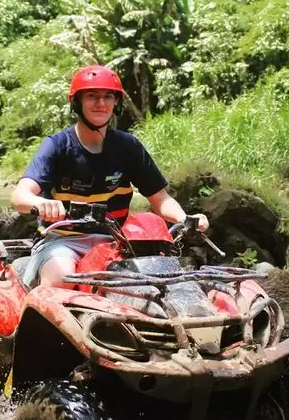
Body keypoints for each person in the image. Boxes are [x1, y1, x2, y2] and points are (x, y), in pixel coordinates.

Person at [11, 65, 208, 289]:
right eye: (92, 96)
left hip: (117, 243)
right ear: (77, 103)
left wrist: (185, 219)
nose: (101, 103)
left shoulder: (128, 146)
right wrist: (40, 203)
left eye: (107, 97)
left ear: (116, 103)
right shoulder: (57, 145)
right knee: (61, 280)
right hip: (63, 241)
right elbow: (20, 196)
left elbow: (160, 199)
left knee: (157, 284)